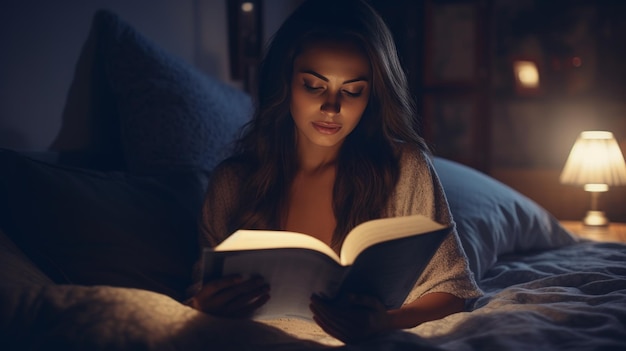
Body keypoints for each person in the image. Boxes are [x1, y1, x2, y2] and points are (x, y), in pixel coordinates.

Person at [186, 0, 482, 344]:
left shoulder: (403, 168)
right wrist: (202, 304)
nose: (331, 106)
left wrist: (384, 322)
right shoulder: (232, 183)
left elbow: (454, 290)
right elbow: (199, 292)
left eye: (352, 91)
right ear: (286, 82)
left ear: (372, 95)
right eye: (314, 85)